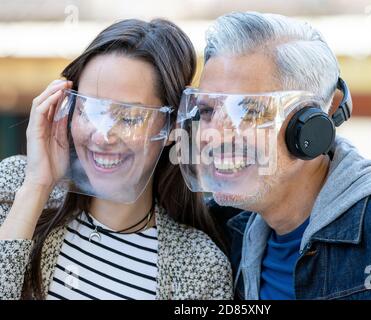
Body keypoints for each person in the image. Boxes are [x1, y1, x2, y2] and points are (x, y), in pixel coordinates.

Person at [177, 12, 371, 299]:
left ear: (313, 126)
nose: (211, 134)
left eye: (250, 112)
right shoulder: (221, 233)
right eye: (206, 111)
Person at [0, 18, 232, 300]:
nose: (102, 136)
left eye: (130, 117)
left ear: (172, 126)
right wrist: (37, 186)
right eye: (88, 109)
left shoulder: (201, 266)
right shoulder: (14, 191)